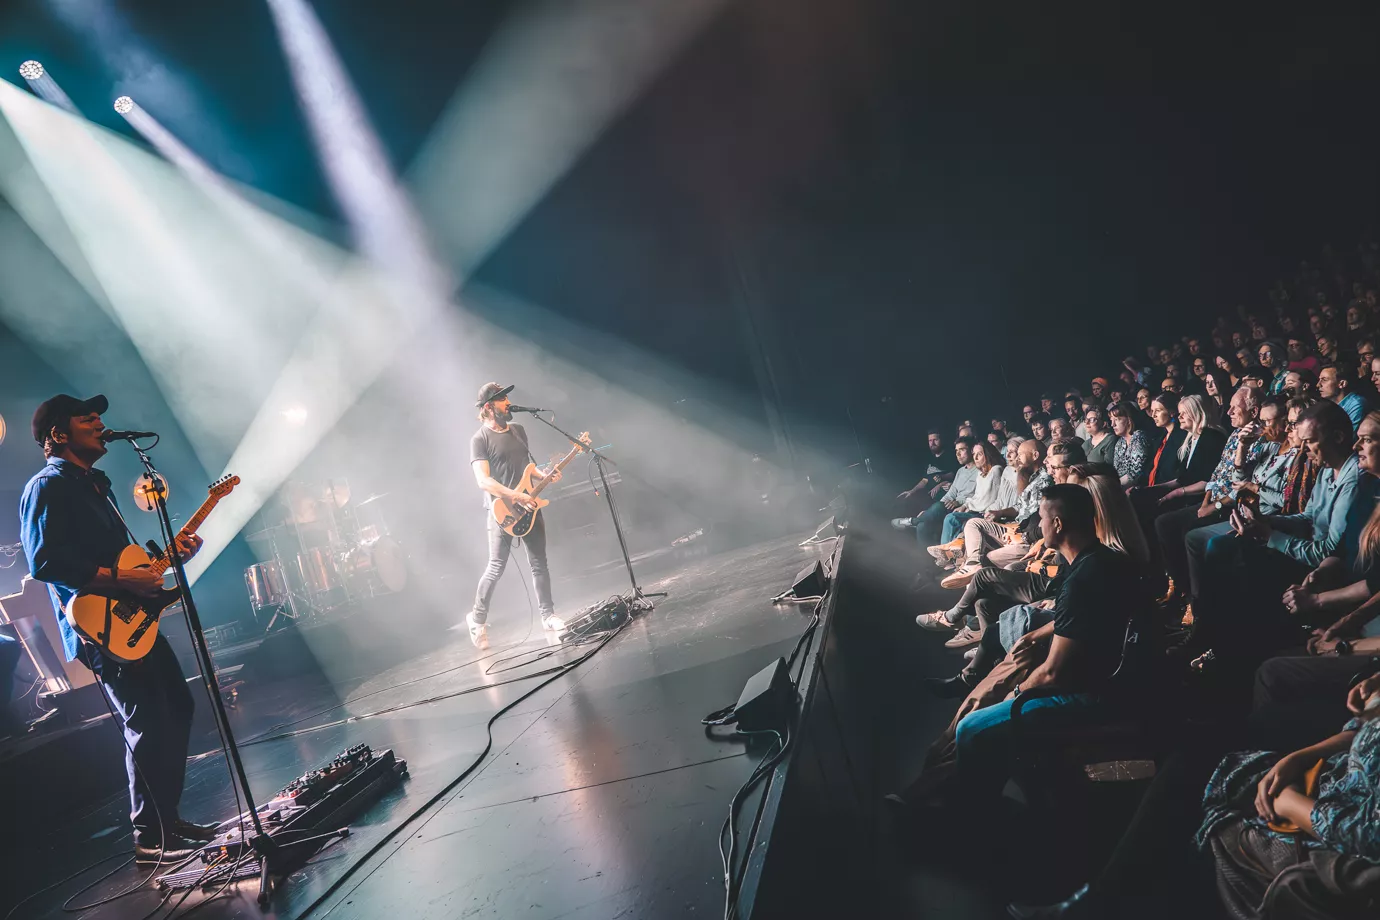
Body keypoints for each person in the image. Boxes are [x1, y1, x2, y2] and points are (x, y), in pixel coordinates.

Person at [20, 394, 213, 864]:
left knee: (178, 707)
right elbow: (43, 561)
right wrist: (122, 579)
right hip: (99, 626)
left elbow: (127, 563)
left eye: (100, 416)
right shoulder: (47, 485)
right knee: (148, 720)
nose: (99, 422)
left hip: (131, 619)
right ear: (59, 434)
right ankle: (149, 837)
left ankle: (167, 821)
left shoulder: (96, 484)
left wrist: (166, 561)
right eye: (87, 417)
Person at [468, 382, 567, 647]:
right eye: (502, 399)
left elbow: (529, 469)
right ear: (489, 407)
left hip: (529, 504)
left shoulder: (519, 430)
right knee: (496, 567)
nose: (508, 402)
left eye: (507, 398)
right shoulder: (480, 439)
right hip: (501, 511)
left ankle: (548, 615)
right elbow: (483, 481)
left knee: (539, 563)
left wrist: (545, 475)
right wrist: (515, 496)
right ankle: (477, 620)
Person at [893, 429, 958, 518]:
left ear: (941, 440)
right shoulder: (929, 458)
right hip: (927, 493)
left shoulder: (950, 456)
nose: (932, 443)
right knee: (905, 500)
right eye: (930, 441)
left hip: (942, 493)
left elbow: (954, 474)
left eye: (935, 440)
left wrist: (941, 479)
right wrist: (911, 491)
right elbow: (924, 480)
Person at [1108, 401, 1152, 488]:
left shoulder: (1139, 437)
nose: (1112, 424)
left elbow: (1135, 473)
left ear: (1129, 420)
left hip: (1140, 488)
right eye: (1111, 420)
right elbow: (1116, 471)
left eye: (1116, 420)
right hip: (1122, 486)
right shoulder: (1120, 442)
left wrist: (1113, 486)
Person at [1319, 363, 1370, 428]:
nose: (1318, 385)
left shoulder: (1357, 405)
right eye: (1319, 379)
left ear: (1342, 384)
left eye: (1324, 380)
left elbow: (1350, 434)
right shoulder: (1326, 404)